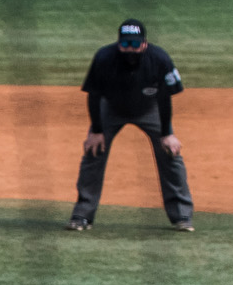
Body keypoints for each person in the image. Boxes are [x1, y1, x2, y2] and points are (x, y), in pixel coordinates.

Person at [67, 19, 194, 232]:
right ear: (119, 43)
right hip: (111, 109)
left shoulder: (159, 59)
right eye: (125, 44)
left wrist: (167, 133)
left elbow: (165, 98)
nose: (130, 50)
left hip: (149, 109)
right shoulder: (104, 58)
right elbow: (94, 95)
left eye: (135, 45)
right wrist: (96, 131)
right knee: (93, 152)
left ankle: (182, 216)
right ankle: (82, 216)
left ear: (144, 43)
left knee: (170, 153)